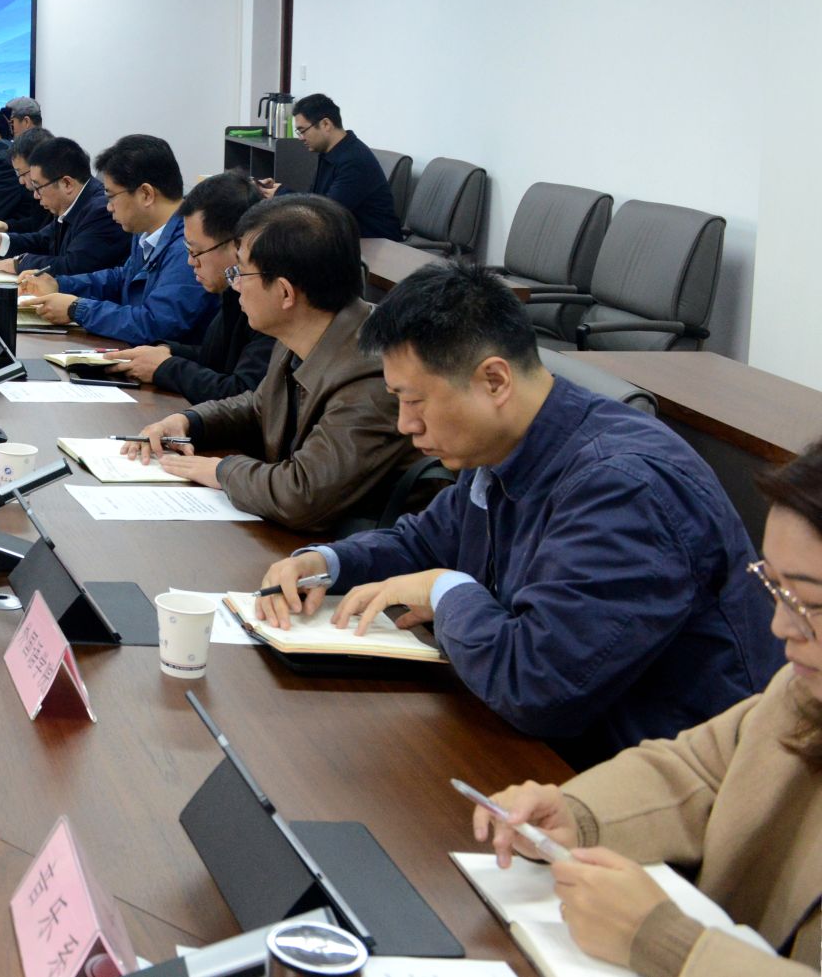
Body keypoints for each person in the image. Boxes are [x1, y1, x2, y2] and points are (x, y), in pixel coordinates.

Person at [258, 262, 775, 763]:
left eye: (414, 401)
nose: (404, 425)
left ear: (495, 381)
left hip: (665, 779)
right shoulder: (506, 443)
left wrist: (443, 591)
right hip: (554, 746)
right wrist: (326, 563)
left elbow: (538, 686)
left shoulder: (623, 490)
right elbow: (425, 542)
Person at [468, 442, 822, 976]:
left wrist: (668, 944)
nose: (780, 626)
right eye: (775, 587)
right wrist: (577, 815)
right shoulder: (800, 694)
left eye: (809, 603)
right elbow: (699, 769)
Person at [123, 194, 410, 530]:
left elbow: (303, 494)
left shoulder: (374, 372)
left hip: (351, 548)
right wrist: (190, 422)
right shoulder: (304, 333)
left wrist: (220, 470)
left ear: (285, 293)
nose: (235, 285)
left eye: (242, 272)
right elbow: (259, 407)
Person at [17, 134, 215, 347]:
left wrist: (77, 309)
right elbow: (121, 279)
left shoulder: (187, 248)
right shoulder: (145, 232)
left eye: (111, 196)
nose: (109, 207)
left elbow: (155, 324)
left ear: (146, 194)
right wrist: (58, 284)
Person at [104, 172, 275, 404]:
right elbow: (214, 358)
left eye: (196, 251)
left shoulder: (269, 302)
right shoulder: (231, 291)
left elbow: (243, 395)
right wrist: (166, 351)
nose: (190, 262)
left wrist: (166, 368)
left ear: (238, 245)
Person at [0, 135, 126, 278]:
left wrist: (19, 264)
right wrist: (0, 242)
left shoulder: (101, 211)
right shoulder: (72, 203)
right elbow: (42, 240)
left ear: (67, 184)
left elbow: (73, 267)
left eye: (38, 187)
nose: (35, 195)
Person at [262, 93, 404, 241]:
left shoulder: (354, 160)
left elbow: (327, 213)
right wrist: (279, 190)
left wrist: (282, 195)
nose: (301, 138)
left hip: (376, 242)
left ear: (326, 124)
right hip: (344, 235)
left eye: (303, 131)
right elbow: (316, 200)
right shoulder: (330, 153)